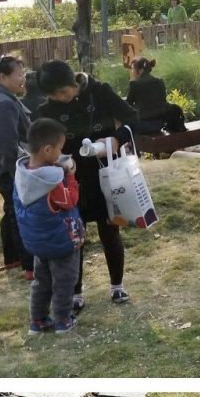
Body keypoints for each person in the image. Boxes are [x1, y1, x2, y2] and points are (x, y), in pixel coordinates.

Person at [35, 60, 135, 308]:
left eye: (62, 92)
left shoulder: (100, 92)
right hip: (70, 179)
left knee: (110, 231)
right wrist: (55, 159)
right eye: (53, 95)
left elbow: (133, 117)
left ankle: (117, 287)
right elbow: (38, 146)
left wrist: (117, 138)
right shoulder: (47, 110)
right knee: (74, 237)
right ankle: (76, 293)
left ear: (72, 82)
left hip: (106, 173)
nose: (60, 98)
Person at [15, 118, 86, 335]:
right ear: (47, 149)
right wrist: (71, 176)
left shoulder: (23, 173)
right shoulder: (52, 181)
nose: (60, 153)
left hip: (37, 242)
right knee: (64, 281)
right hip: (60, 242)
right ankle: (63, 319)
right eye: (59, 149)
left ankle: (37, 321)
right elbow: (70, 199)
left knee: (41, 281)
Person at [0, 55, 32, 280]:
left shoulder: (2, 97)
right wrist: (18, 174)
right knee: (17, 214)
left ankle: (12, 258)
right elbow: (6, 145)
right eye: (19, 74)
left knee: (10, 210)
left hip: (2, 168)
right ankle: (27, 263)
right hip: (9, 169)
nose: (23, 78)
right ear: (2, 77)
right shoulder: (3, 103)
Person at [125, 57, 177, 136]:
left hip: (142, 125)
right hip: (160, 123)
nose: (132, 71)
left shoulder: (135, 84)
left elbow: (128, 105)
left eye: (132, 69)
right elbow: (162, 101)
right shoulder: (159, 82)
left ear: (141, 70)